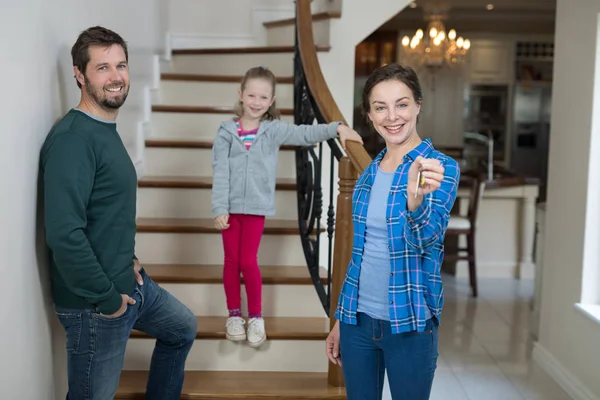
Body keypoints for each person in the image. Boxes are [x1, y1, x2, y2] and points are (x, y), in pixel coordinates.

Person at [41, 26, 198, 400]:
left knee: (182, 329)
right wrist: (108, 300)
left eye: (121, 65)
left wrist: (128, 259)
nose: (116, 77)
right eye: (102, 68)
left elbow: (105, 212)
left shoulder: (103, 128)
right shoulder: (73, 140)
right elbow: (64, 234)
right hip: (96, 305)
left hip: (130, 284)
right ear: (80, 75)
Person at [325, 63, 460, 399]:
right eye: (380, 107)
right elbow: (361, 254)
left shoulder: (439, 168)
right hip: (357, 322)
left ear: (418, 105)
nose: (392, 116)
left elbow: (426, 239)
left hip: (410, 322)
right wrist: (342, 318)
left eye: (401, 104)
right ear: (369, 116)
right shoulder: (369, 172)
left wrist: (415, 202)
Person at [211, 66, 363, 348]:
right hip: (230, 209)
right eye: (252, 95)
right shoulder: (225, 133)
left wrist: (337, 128)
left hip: (256, 209)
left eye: (263, 97)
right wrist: (219, 207)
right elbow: (220, 171)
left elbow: (305, 133)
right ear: (241, 95)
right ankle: (234, 315)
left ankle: (255, 316)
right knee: (231, 262)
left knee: (247, 262)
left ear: (271, 101)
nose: (256, 102)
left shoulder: (273, 130)